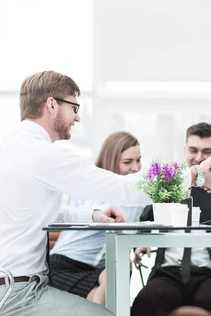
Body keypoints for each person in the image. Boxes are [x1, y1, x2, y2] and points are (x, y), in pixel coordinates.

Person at [0, 71, 211, 316]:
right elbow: (124, 188)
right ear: (51, 104)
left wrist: (92, 214)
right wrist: (194, 174)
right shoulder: (42, 154)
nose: (77, 116)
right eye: (74, 106)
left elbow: (35, 213)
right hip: (12, 296)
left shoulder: (9, 147)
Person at [131, 123, 211, 316]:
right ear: (184, 150)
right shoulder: (169, 184)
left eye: (207, 151)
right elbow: (146, 219)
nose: (198, 158)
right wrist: (142, 240)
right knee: (145, 301)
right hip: (168, 274)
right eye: (193, 150)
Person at [48, 131, 144, 306]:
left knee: (120, 268)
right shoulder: (90, 188)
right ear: (111, 160)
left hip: (100, 270)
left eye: (138, 160)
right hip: (65, 265)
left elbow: (144, 225)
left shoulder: (138, 200)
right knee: (101, 299)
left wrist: (142, 242)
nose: (136, 168)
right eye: (127, 162)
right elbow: (87, 215)